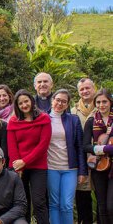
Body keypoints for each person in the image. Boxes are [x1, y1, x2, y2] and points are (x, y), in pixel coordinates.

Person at [7, 89, 51, 224]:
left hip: (38, 166)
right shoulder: (13, 121)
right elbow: (12, 146)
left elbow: (43, 146)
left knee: (39, 201)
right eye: (20, 103)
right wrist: (17, 166)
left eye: (26, 101)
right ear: (17, 106)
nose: (24, 105)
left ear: (32, 101)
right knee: (23, 202)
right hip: (19, 168)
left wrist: (24, 161)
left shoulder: (44, 119)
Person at [47, 89, 87, 224]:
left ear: (67, 104)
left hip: (70, 168)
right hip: (51, 167)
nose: (60, 103)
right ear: (52, 100)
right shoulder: (43, 119)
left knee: (66, 204)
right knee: (54, 203)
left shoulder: (73, 120)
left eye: (64, 101)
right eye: (58, 100)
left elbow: (80, 147)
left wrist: (82, 171)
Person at [83, 89, 113, 224]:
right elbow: (85, 146)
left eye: (105, 101)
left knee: (111, 206)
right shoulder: (91, 121)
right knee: (101, 205)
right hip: (99, 166)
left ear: (110, 102)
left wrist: (104, 148)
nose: (102, 105)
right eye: (99, 102)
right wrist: (102, 149)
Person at [71, 78, 97, 224]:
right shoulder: (73, 111)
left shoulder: (102, 107)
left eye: (88, 88)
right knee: (82, 198)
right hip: (81, 161)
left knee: (102, 198)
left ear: (94, 88)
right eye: (82, 89)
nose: (85, 91)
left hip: (102, 158)